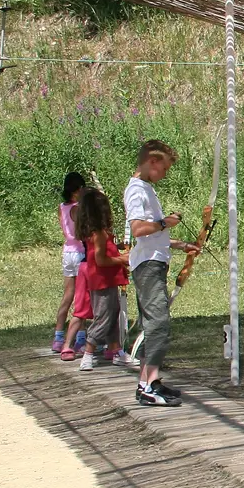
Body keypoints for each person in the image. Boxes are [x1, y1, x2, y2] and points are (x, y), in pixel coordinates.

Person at [125, 139, 198, 407]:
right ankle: (147, 385)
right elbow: (138, 230)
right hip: (147, 266)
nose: (164, 174)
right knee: (158, 324)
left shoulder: (145, 188)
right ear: (152, 162)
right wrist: (165, 222)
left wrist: (180, 244)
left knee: (152, 325)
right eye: (164, 169)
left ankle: (149, 382)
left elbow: (152, 236)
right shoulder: (136, 190)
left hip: (153, 261)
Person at [73, 186, 131, 372]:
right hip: (101, 280)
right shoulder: (98, 234)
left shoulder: (101, 233)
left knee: (113, 314)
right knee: (104, 317)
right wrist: (122, 259)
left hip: (107, 279)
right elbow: (100, 260)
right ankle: (88, 352)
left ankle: (116, 350)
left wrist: (119, 250)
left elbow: (106, 252)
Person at [52, 172, 86, 354]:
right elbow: (82, 233)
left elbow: (65, 230)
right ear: (78, 189)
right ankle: (80, 338)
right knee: (81, 298)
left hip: (68, 252)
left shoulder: (61, 207)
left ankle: (58, 336)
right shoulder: (78, 208)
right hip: (80, 253)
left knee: (67, 296)